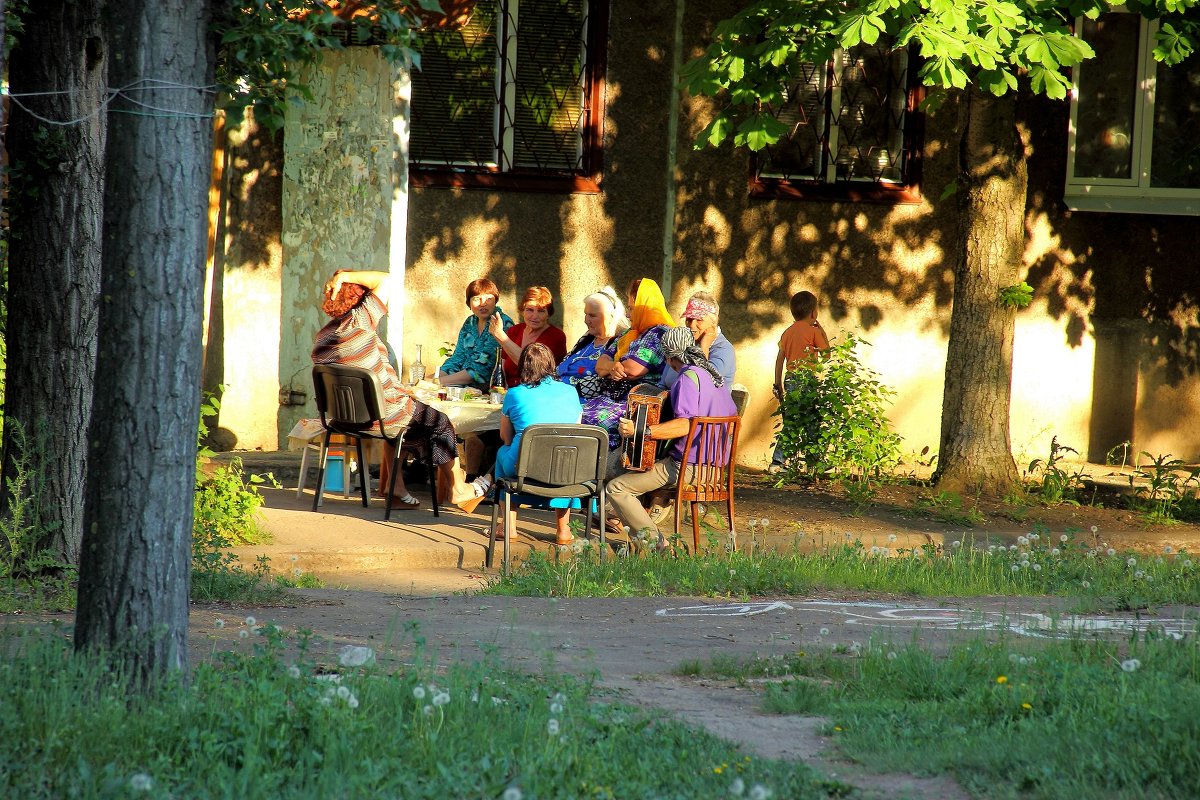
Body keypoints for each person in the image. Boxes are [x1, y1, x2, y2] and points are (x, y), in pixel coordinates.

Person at [312, 270, 488, 513]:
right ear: (362, 300)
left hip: (344, 421)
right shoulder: (360, 322)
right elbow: (386, 279)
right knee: (441, 422)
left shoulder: (323, 337)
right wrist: (344, 275)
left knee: (401, 427)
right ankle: (458, 487)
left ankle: (394, 489)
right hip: (383, 416)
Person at [608, 326, 737, 550]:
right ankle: (640, 545)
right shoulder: (714, 377)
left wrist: (641, 432)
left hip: (688, 467)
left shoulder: (687, 378)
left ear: (668, 357)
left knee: (617, 488)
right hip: (715, 469)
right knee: (645, 471)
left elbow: (684, 424)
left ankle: (659, 546)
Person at [489, 343, 584, 546]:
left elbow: (505, 437)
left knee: (501, 452)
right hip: (565, 468)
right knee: (563, 463)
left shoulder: (514, 394)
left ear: (523, 366)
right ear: (551, 365)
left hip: (525, 467)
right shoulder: (571, 392)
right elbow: (576, 430)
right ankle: (563, 530)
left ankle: (508, 525)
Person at [586, 278, 674, 458]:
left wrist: (613, 367)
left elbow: (633, 370)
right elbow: (599, 365)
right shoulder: (629, 333)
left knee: (587, 422)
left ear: (644, 307)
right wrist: (614, 367)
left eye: (632, 309)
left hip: (633, 405)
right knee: (573, 414)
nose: (627, 314)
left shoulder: (659, 333)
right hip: (610, 397)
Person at [770, 290, 831, 472]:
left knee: (793, 420)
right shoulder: (813, 331)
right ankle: (812, 462)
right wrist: (822, 331)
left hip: (790, 379)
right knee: (812, 420)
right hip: (806, 380)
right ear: (813, 312)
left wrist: (778, 383)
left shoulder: (787, 333)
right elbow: (827, 355)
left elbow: (780, 359)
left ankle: (780, 463)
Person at [438, 278, 514, 389]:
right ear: (469, 303)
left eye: (488, 298)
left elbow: (481, 370)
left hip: (491, 390)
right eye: (477, 299)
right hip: (462, 386)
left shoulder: (502, 322)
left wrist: (438, 382)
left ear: (496, 300)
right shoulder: (470, 322)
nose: (483, 304)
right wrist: (434, 379)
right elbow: (457, 358)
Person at [490, 286, 568, 388]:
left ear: (548, 314)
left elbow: (531, 368)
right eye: (530, 310)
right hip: (508, 392)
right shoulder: (514, 331)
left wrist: (500, 336)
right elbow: (502, 368)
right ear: (522, 311)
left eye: (541, 311)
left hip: (536, 392)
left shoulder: (556, 336)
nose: (535, 316)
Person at [660, 290, 735, 388]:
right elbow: (663, 383)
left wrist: (704, 346)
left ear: (714, 323)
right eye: (689, 319)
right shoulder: (683, 344)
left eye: (699, 320)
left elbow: (700, 383)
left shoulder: (724, 350)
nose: (692, 325)